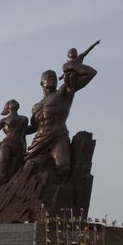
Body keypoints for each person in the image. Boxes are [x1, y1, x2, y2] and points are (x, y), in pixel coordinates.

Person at [25, 41, 99, 178]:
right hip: (38, 142)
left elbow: (91, 73)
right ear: (42, 82)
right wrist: (16, 129)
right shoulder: (36, 106)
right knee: (28, 170)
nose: (53, 79)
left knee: (63, 167)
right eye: (49, 77)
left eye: (54, 77)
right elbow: (33, 128)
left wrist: (71, 65)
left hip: (58, 137)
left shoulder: (64, 92)